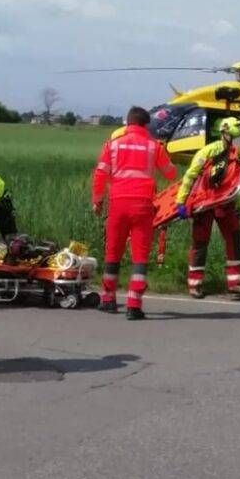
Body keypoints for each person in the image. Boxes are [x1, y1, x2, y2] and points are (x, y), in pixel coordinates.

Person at [92, 106, 177, 320]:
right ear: (146, 125)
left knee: (113, 252)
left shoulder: (112, 145)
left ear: (127, 124)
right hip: (143, 206)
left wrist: (97, 201)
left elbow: (100, 174)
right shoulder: (153, 146)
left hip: (117, 204)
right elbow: (170, 174)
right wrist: (164, 153)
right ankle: (133, 305)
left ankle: (108, 299)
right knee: (139, 256)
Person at [176, 117, 240, 299]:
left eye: (239, 137)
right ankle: (195, 285)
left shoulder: (237, 154)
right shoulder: (208, 152)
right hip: (204, 204)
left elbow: (235, 183)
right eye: (234, 136)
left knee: (235, 240)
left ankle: (234, 284)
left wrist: (238, 206)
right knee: (200, 243)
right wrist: (181, 202)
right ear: (224, 133)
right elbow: (190, 176)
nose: (237, 140)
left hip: (226, 204)